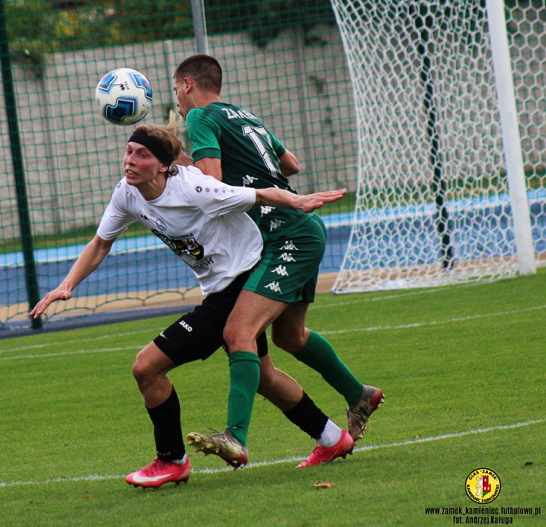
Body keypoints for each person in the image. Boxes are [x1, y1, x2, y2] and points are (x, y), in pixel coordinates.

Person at [30, 117, 352, 488]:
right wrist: (66, 285)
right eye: (128, 152)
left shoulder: (196, 188)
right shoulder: (127, 192)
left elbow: (261, 194)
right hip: (219, 287)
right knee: (262, 377)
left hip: (242, 281)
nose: (130, 161)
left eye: (142, 155)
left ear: (164, 165)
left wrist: (299, 199)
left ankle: (172, 460)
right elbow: (101, 243)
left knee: (146, 367)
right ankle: (331, 437)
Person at [173, 54, 384, 468]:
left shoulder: (199, 118)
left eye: (175, 91)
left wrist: (180, 164)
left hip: (283, 234)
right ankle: (359, 394)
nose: (177, 103)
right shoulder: (245, 116)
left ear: (185, 85)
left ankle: (235, 437)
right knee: (290, 336)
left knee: (238, 331)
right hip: (300, 228)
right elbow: (291, 165)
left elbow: (212, 184)